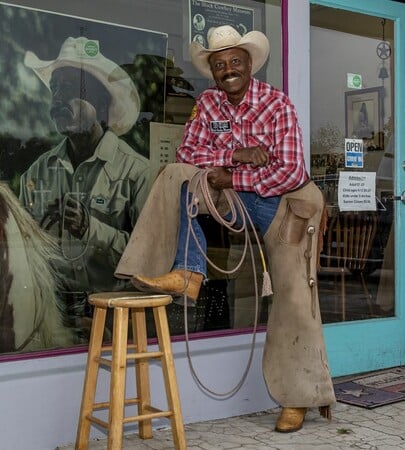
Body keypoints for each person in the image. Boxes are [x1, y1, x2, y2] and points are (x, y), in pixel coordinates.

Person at [115, 25, 336, 432]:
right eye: (220, 65)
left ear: (250, 64)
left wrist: (233, 177)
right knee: (178, 173)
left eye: (235, 61)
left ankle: (297, 398)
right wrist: (239, 154)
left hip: (285, 206)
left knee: (293, 299)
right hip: (233, 191)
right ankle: (187, 271)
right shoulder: (208, 104)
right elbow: (187, 152)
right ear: (212, 72)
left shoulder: (277, 103)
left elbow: (289, 172)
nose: (228, 70)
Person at [19, 37, 151, 323]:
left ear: (102, 103)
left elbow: (150, 262)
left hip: (118, 322)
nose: (56, 100)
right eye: (54, 89)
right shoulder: (37, 173)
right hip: (48, 322)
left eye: (68, 88)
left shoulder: (137, 173)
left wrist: (92, 229)